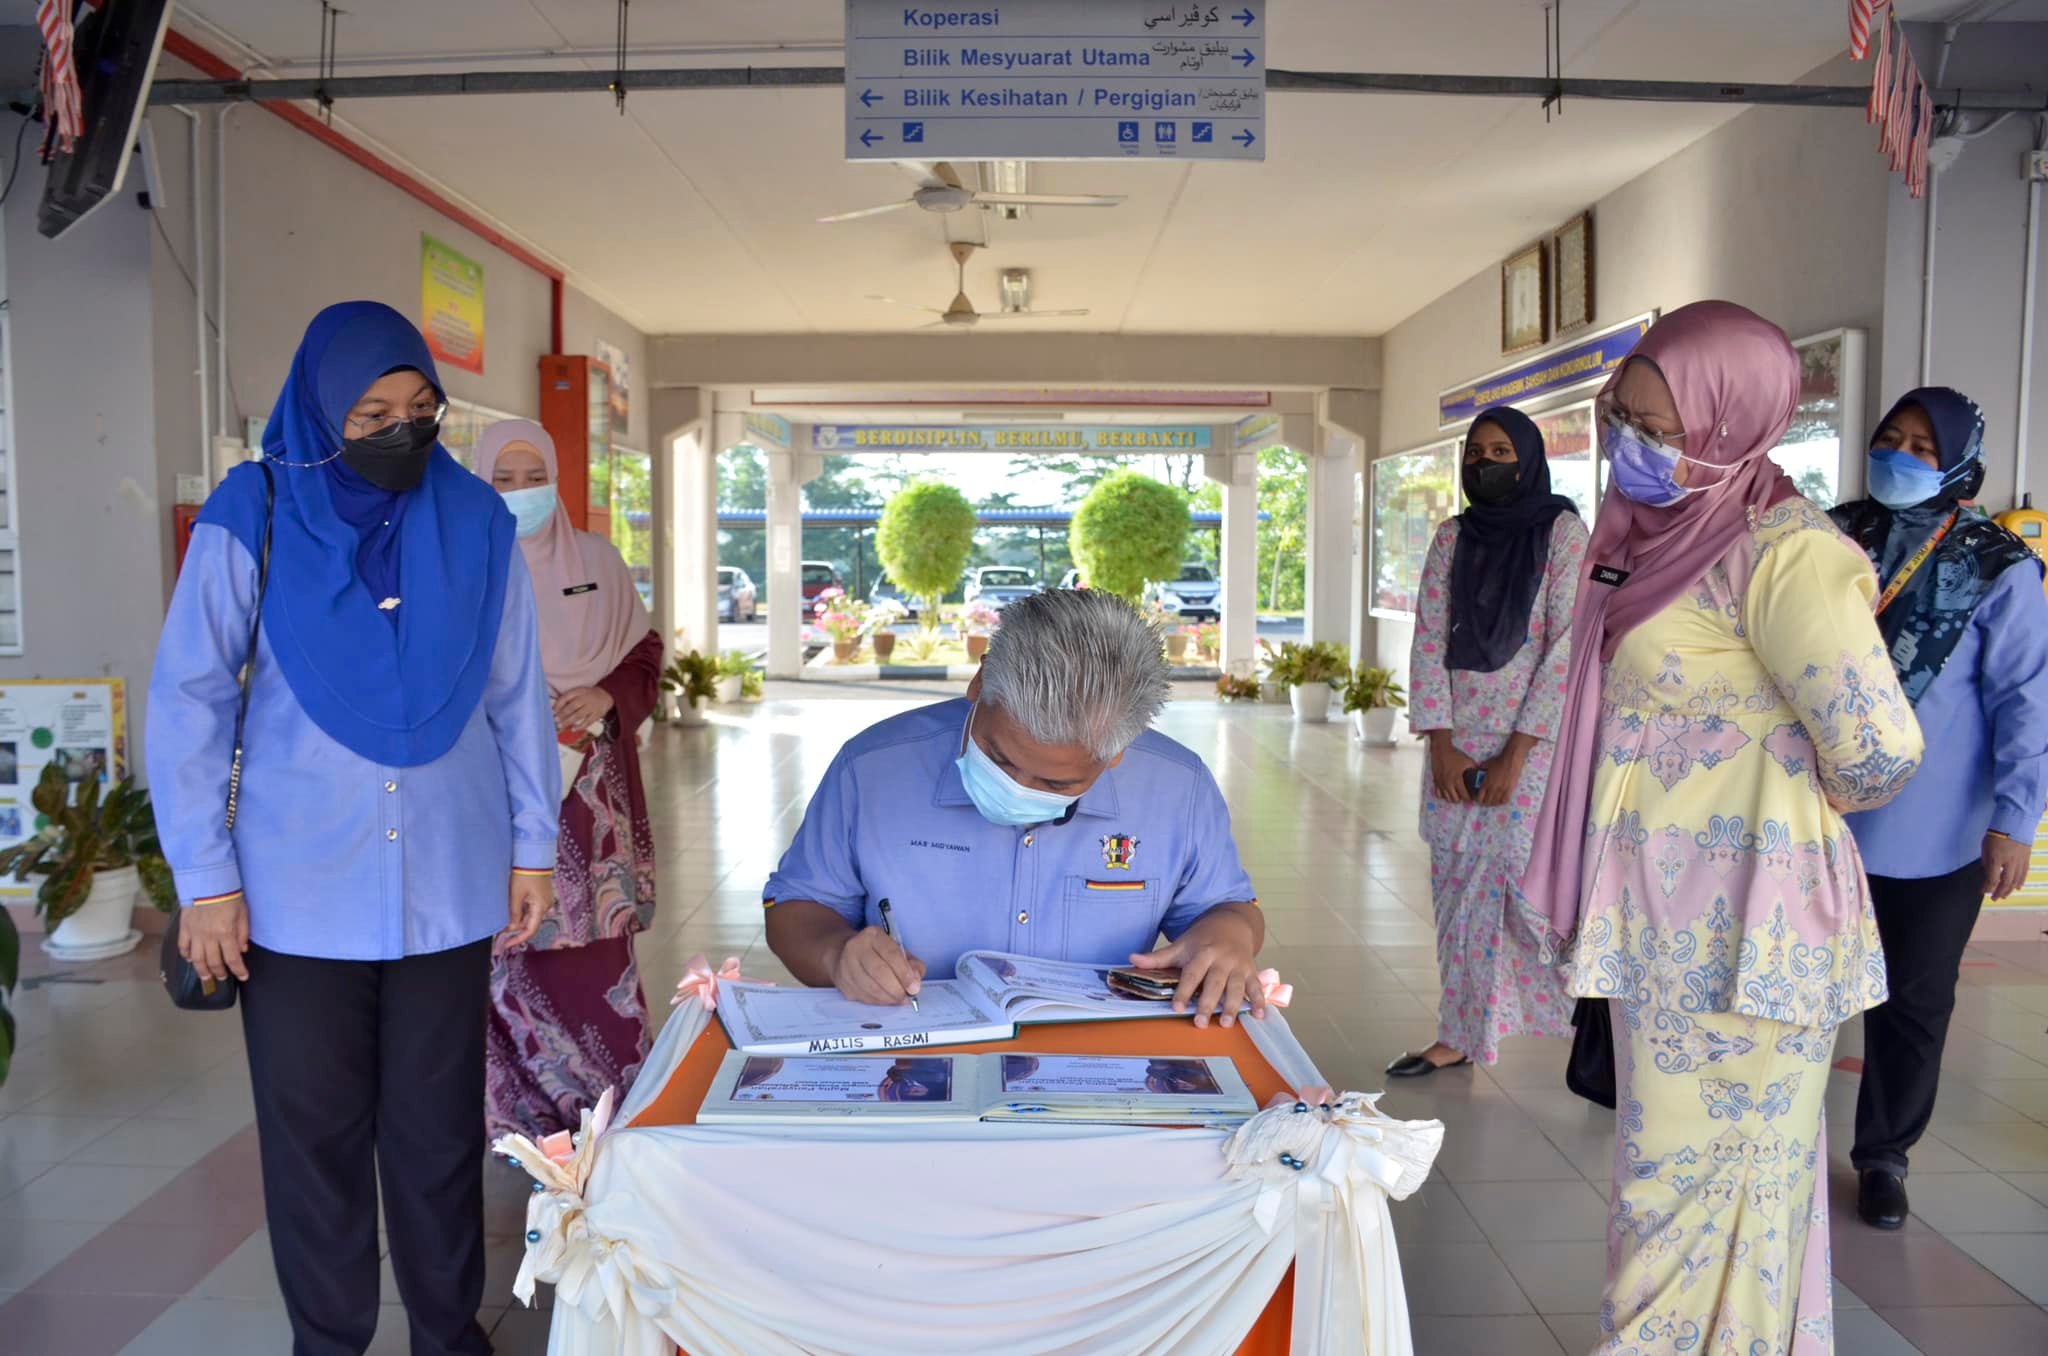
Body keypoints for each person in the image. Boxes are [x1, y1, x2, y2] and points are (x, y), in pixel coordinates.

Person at [148, 301, 560, 1356]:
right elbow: (190, 697)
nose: (399, 431)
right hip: (292, 894)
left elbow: (515, 694)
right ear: (321, 407)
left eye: (420, 407)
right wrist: (204, 880)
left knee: (435, 1143)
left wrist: (532, 847)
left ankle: (445, 1337)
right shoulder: (259, 510)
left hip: (450, 882)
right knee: (313, 1148)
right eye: (370, 411)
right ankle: (326, 1345)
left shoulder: (473, 518)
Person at [1518, 302, 1924, 1353]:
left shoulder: (1784, 554)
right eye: (1623, 416)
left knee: (1695, 1189)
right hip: (1664, 924)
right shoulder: (1645, 539)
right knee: (1676, 1181)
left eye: (1658, 428)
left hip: (1750, 928)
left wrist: (1768, 791)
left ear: (1728, 423)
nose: (1632, 445)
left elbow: (1877, 749)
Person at [762, 588, 1267, 1023]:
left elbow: (1226, 909)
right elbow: (797, 907)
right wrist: (836, 956)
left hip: (1098, 1059)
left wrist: (1227, 935)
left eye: (1055, 781)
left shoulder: (1179, 788)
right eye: (998, 758)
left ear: (1116, 755)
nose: (1017, 787)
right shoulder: (870, 770)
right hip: (912, 1045)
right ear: (980, 683)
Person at [1829, 388, 2048, 1230]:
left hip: (1937, 832)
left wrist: (2014, 822)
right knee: (1794, 988)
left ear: (1959, 458)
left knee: (1914, 1003)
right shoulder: (1832, 534)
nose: (1903, 455)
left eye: (1925, 445)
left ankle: (1884, 1155)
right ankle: (1771, 1136)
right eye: (1891, 437)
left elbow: (2027, 700)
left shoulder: (2000, 563)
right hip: (1817, 817)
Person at [474, 419, 664, 1141]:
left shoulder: (597, 558)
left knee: (593, 949)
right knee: (508, 942)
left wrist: (607, 695)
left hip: (590, 793)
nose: (521, 494)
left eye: (534, 479)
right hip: (498, 781)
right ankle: (517, 1116)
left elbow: (644, 652)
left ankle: (614, 1104)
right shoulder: (464, 563)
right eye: (503, 480)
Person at [1390, 404, 1586, 1078]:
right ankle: (1460, 1031)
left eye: (1501, 451)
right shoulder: (1453, 537)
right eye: (1476, 452)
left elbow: (1567, 649)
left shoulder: (1561, 534)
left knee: (1531, 896)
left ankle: (1599, 1022)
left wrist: (1517, 753)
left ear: (1528, 459)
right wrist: (1440, 743)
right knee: (1458, 894)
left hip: (1530, 749)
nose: (1486, 463)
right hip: (1455, 745)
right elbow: (1427, 639)